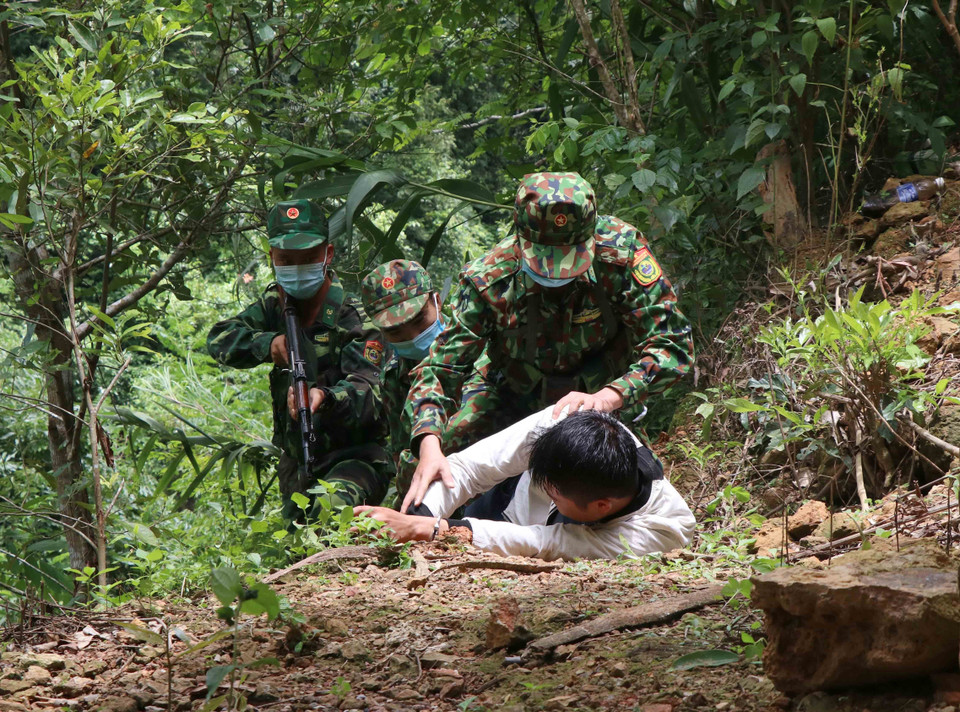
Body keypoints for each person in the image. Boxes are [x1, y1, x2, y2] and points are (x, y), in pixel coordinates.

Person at [401, 171, 694, 512]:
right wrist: (429, 444)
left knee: (622, 486)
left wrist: (610, 396)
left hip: (594, 399)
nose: (557, 273)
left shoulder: (622, 255)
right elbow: (439, 366)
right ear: (520, 238)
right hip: (508, 389)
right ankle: (405, 527)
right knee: (433, 456)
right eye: (545, 259)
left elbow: (672, 343)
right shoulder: (490, 279)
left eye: (570, 258)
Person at [207, 199, 391, 520]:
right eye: (286, 260)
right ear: (272, 259)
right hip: (297, 463)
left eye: (307, 259)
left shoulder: (354, 317)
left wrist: (325, 397)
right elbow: (220, 339)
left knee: (330, 515)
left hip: (355, 458)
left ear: (328, 254)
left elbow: (370, 393)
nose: (296, 268)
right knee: (299, 554)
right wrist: (269, 345)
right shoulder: (274, 306)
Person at [355, 407, 695, 561]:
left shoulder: (658, 532)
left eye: (554, 495)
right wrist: (420, 512)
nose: (545, 494)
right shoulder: (569, 420)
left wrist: (431, 529)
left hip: (524, 532)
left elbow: (544, 542)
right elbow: (470, 468)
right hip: (504, 506)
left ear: (601, 507)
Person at [357, 260, 491, 502]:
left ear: (437, 302)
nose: (414, 336)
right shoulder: (395, 376)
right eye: (396, 331)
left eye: (419, 321)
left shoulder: (478, 348)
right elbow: (402, 452)